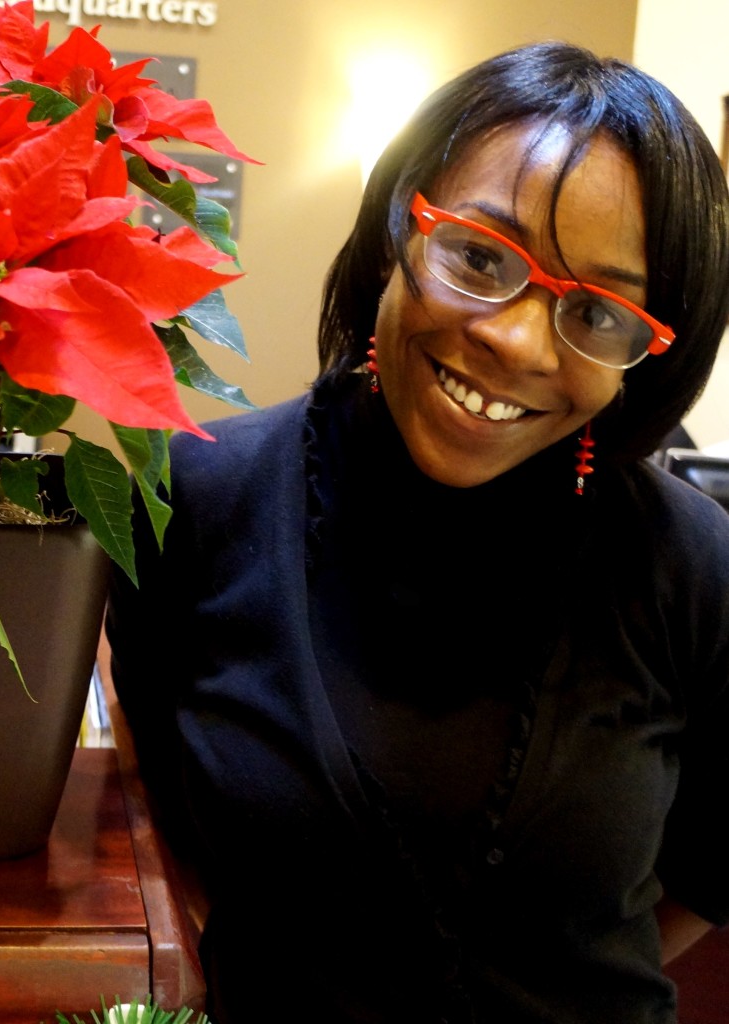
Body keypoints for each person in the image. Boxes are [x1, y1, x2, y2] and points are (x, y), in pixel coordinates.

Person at [106, 40, 729, 1024]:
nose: (516, 340)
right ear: (399, 222)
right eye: (478, 258)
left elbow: (706, 871)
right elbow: (153, 819)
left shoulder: (693, 566)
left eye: (595, 313)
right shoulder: (191, 495)